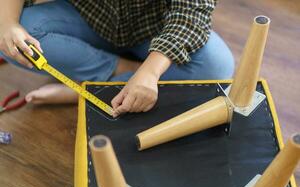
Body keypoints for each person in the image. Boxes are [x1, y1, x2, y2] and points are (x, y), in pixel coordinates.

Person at [0, 0, 234, 117]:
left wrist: (151, 72)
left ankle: (87, 89)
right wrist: (7, 23)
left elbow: (191, 13)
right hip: (89, 20)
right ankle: (116, 75)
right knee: (13, 40)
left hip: (155, 27)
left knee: (216, 67)